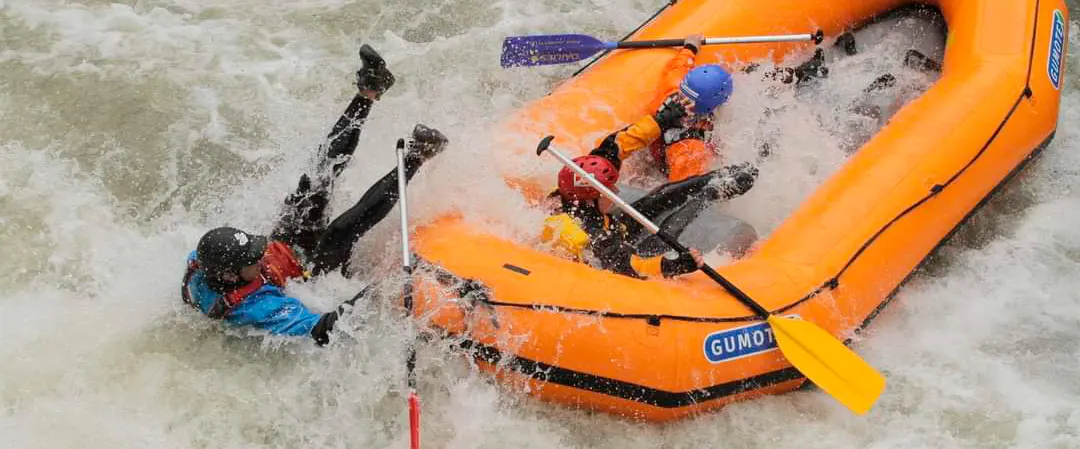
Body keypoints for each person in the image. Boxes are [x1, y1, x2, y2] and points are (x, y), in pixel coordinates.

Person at [180, 44, 449, 345]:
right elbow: (322, 330)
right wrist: (373, 292)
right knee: (339, 232)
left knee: (315, 180)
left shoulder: (202, 262)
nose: (259, 256)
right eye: (252, 259)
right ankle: (417, 156)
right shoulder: (257, 307)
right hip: (309, 273)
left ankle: (370, 89)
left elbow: (240, 259)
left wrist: (263, 256)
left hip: (285, 247)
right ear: (231, 277)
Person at [588, 34, 829, 183]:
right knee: (767, 135)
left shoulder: (673, 88)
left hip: (661, 139)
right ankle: (807, 75)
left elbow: (680, 64)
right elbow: (680, 191)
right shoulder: (690, 151)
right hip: (665, 161)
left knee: (754, 75)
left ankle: (801, 73)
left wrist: (690, 47)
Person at [540, 148, 757, 280]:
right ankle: (708, 195)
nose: (615, 192)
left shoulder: (573, 203)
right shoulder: (595, 235)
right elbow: (634, 267)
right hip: (617, 255)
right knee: (666, 234)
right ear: (589, 198)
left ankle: (712, 179)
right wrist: (679, 265)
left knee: (655, 201)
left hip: (615, 233)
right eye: (608, 190)